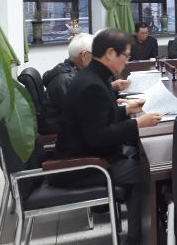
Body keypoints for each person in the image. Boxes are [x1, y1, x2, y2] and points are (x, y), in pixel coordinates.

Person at [54, 29, 162, 245]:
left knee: (139, 155)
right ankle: (138, 239)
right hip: (83, 165)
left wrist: (127, 110)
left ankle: (140, 233)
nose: (127, 61)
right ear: (111, 53)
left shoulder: (93, 76)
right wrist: (138, 123)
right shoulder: (92, 85)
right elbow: (98, 136)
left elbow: (98, 117)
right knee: (146, 171)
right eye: (126, 55)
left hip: (89, 153)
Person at [42, 33, 130, 134]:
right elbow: (85, 115)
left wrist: (112, 104)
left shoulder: (75, 71)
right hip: (62, 131)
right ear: (84, 56)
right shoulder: (66, 80)